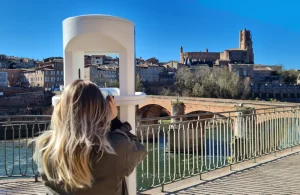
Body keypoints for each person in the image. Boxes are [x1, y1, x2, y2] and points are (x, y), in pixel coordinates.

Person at [33, 79, 147, 195]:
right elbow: (139, 150)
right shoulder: (116, 147)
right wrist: (114, 121)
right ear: (102, 110)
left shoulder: (43, 146)